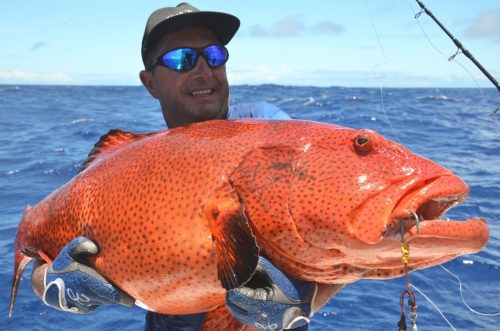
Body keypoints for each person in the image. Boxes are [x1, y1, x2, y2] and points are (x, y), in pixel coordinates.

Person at [30, 3, 340, 330]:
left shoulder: (267, 131)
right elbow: (42, 256)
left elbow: (342, 230)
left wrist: (298, 308)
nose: (204, 71)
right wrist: (49, 286)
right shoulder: (121, 167)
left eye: (215, 56)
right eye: (182, 59)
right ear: (150, 83)